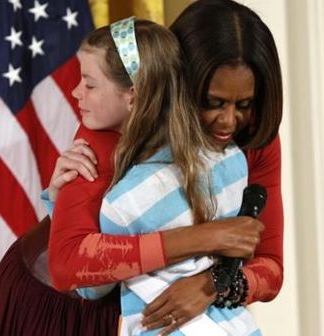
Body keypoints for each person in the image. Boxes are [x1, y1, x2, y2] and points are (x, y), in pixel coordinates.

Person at [47, 0, 283, 334]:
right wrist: (206, 237)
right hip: (78, 314)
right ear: (177, 83)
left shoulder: (253, 136)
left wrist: (211, 285)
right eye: (212, 102)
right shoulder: (109, 127)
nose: (230, 120)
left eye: (243, 104)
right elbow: (69, 264)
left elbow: (271, 267)